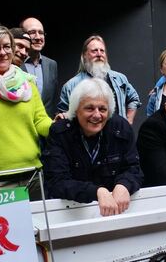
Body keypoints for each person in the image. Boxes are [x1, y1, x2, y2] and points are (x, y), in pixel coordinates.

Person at [44, 78, 143, 216]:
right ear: (76, 109)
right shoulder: (60, 133)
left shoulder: (121, 128)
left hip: (115, 213)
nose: (97, 115)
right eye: (89, 108)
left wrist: (124, 184)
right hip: (71, 214)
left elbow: (134, 169)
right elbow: (56, 182)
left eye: (102, 109)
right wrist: (97, 191)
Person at [0, 24, 52, 197]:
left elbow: (40, 120)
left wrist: (59, 127)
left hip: (34, 174)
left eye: (7, 46)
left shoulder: (27, 83)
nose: (2, 52)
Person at [57, 35, 140, 124]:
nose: (99, 54)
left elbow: (134, 99)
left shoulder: (120, 79)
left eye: (102, 51)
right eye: (94, 51)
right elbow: (64, 114)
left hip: (117, 135)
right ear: (84, 55)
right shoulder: (71, 85)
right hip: (87, 136)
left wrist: (128, 122)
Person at [19, 17, 59, 117]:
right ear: (23, 36)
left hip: (46, 128)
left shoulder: (52, 65)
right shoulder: (14, 64)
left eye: (41, 33)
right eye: (32, 32)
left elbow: (53, 101)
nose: (38, 37)